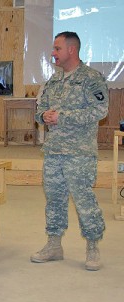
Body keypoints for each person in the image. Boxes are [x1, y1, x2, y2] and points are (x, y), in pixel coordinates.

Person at [31, 31, 108, 271]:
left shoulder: (91, 79)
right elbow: (39, 109)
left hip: (79, 152)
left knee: (84, 200)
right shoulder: (53, 82)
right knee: (54, 200)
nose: (53, 53)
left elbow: (100, 110)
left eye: (56, 49)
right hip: (54, 152)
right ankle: (54, 245)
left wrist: (62, 117)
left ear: (71, 50)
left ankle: (93, 247)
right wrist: (43, 115)